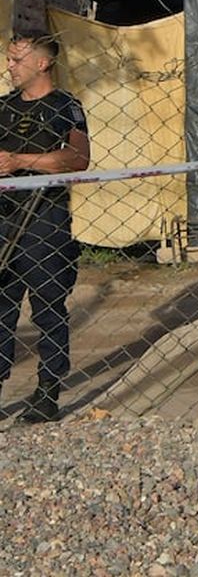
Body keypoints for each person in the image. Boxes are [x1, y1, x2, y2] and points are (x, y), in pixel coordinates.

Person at [0, 31, 89, 422]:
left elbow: (78, 157)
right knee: (1, 309)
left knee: (48, 308)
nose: (9, 67)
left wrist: (22, 161)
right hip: (3, 216)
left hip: (45, 221)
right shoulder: (1, 107)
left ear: (42, 63)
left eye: (17, 59)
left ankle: (47, 392)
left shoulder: (64, 105)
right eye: (8, 58)